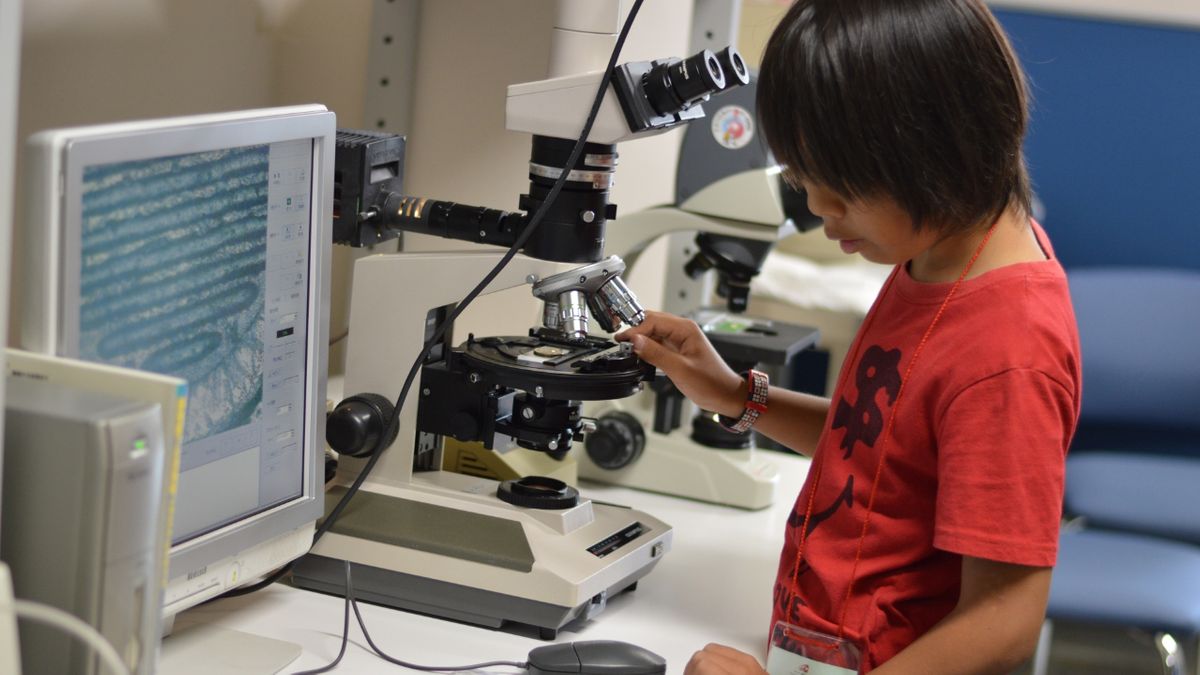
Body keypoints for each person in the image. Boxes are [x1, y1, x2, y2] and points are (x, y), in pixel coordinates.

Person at [615, 1, 1082, 673]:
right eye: (807, 182)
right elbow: (885, 448)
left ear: (938, 148)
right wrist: (731, 393)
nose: (818, 211)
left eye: (841, 190)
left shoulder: (1010, 351)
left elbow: (1005, 618)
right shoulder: (937, 255)